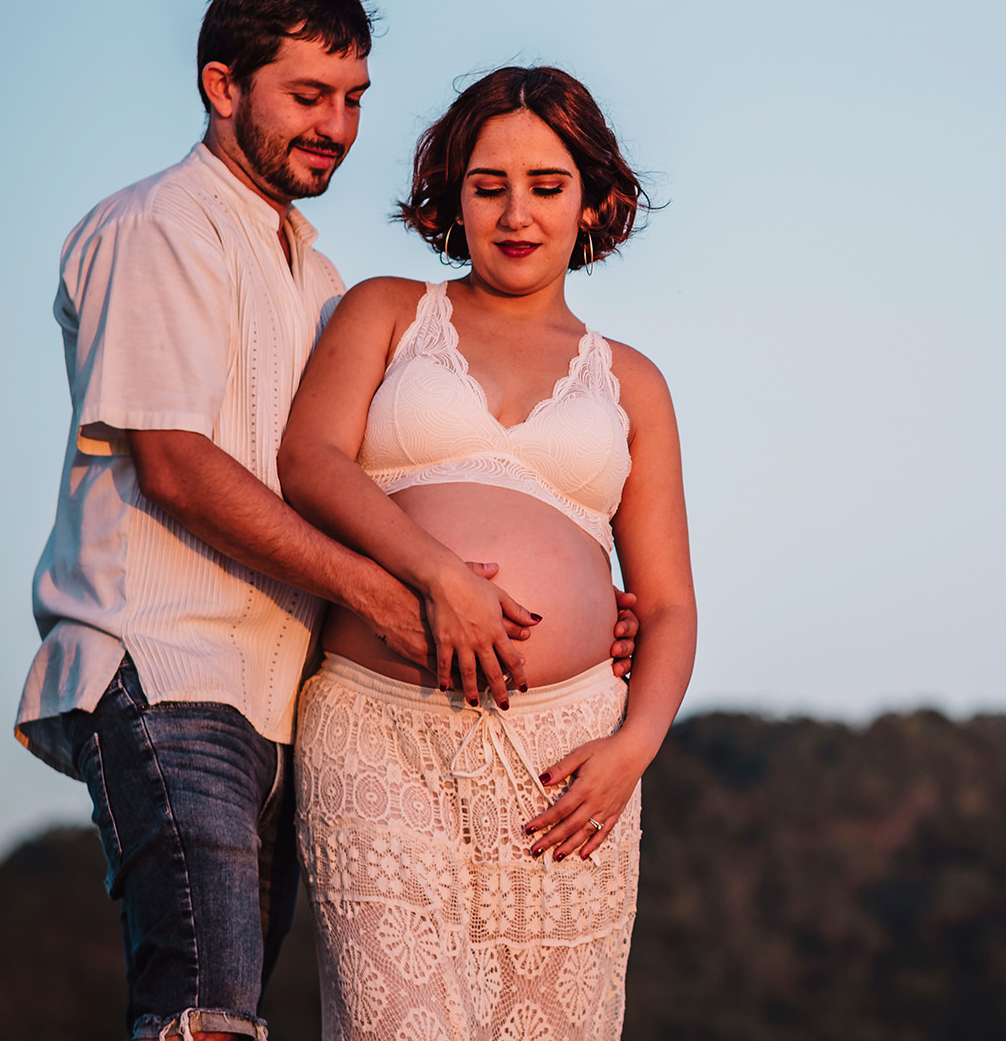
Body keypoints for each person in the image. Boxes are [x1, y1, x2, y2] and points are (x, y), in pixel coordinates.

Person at [14, 0, 637, 1041]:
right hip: (171, 663)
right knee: (202, 1007)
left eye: (352, 98)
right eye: (307, 95)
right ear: (222, 87)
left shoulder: (321, 280)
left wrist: (581, 593)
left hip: (281, 689)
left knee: (240, 1006)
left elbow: (403, 478)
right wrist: (406, 593)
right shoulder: (160, 226)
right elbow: (176, 464)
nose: (337, 125)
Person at [278, 65, 697, 1041]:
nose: (516, 213)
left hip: (567, 761)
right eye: (488, 184)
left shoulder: (632, 379)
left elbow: (668, 602)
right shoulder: (388, 309)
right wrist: (439, 574)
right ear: (451, 194)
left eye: (547, 186)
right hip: (378, 727)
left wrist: (632, 749)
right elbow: (308, 462)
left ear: (593, 198)